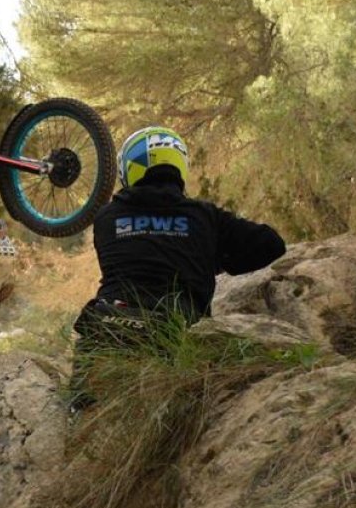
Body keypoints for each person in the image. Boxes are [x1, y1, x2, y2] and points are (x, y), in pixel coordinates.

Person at [71, 126, 287, 404]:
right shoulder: (205, 216)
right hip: (178, 329)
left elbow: (143, 252)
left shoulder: (105, 218)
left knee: (81, 409)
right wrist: (215, 259)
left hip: (111, 322)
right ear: (178, 165)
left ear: (130, 168)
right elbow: (271, 244)